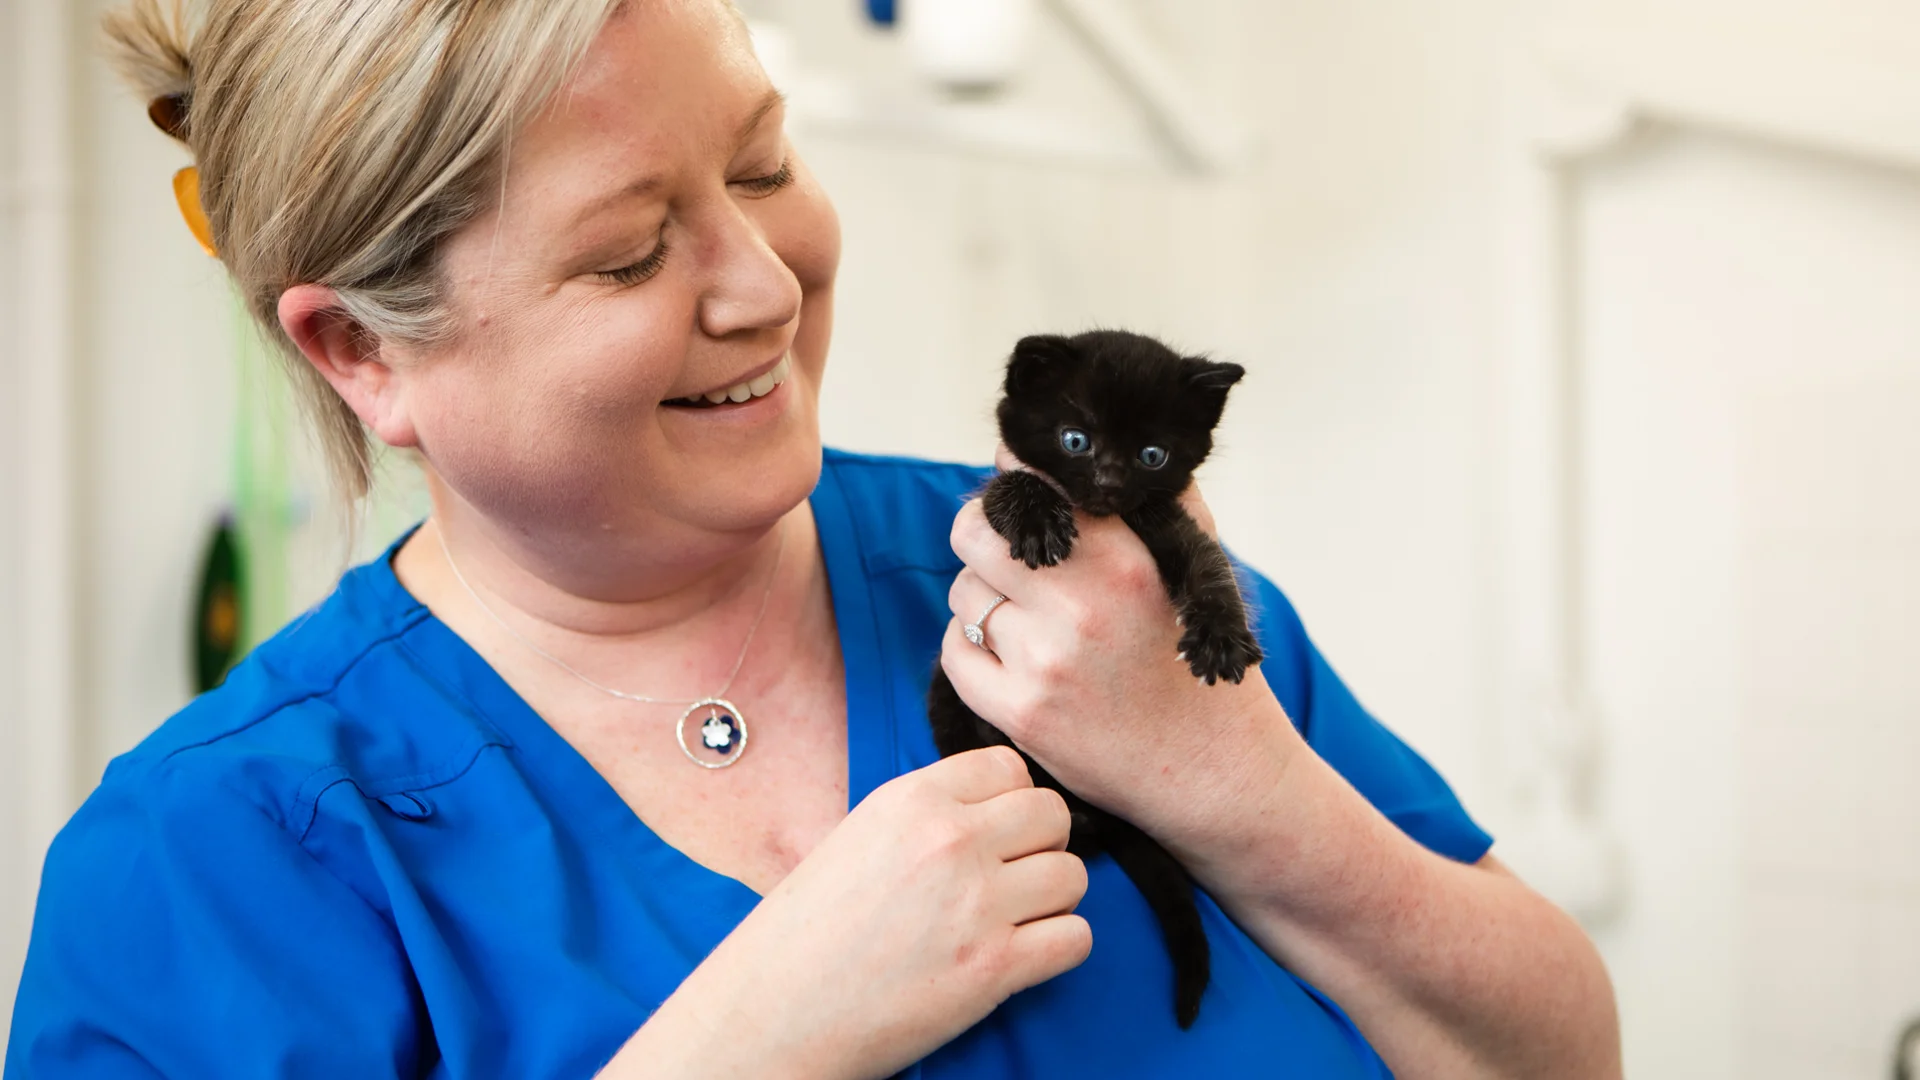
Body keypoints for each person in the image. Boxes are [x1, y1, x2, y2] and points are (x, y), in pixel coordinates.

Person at [5, 0, 1622, 1076]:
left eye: (766, 164)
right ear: (365, 354)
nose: (766, 285)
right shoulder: (211, 866)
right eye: (632, 255)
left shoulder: (1082, 585)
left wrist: (1243, 792)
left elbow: (1559, 1056)